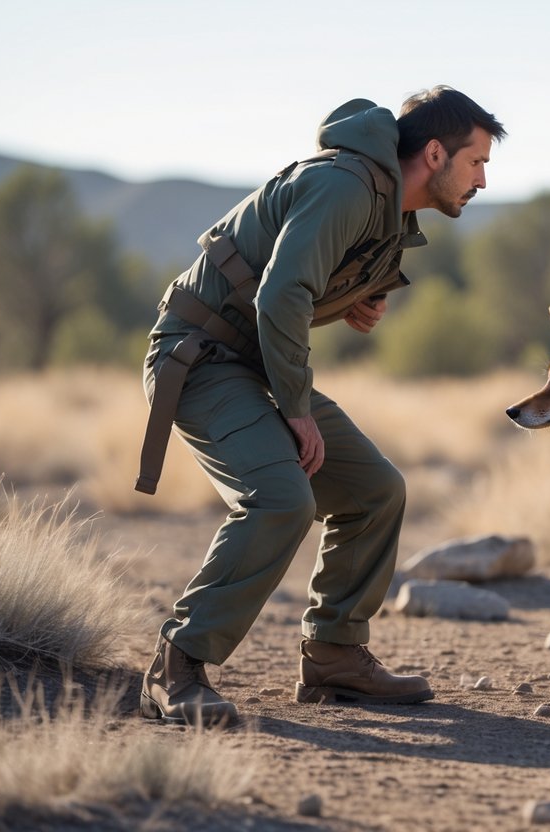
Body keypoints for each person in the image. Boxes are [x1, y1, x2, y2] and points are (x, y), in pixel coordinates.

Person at [135, 87, 506, 725]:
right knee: (280, 500)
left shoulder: (388, 211)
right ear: (434, 153)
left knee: (375, 491)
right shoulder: (346, 185)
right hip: (199, 358)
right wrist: (297, 410)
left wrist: (353, 300)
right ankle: (176, 666)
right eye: (476, 162)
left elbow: (297, 285)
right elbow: (282, 295)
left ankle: (334, 656)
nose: (482, 180)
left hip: (252, 362)